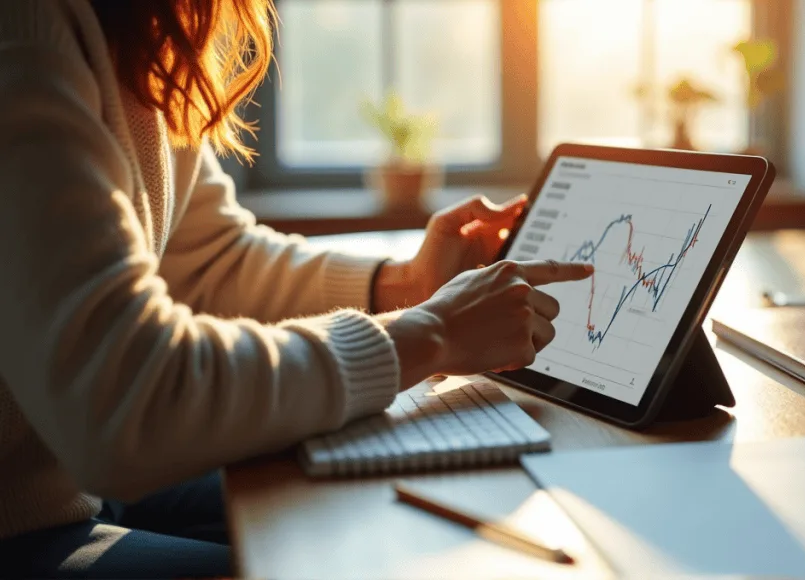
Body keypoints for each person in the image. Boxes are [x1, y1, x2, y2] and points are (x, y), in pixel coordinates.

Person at [0, 1, 592, 577]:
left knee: (357, 508)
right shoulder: (27, 32)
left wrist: (405, 285)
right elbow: (123, 400)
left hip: (73, 481)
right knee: (349, 552)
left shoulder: (144, 28)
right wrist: (431, 332)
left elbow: (206, 262)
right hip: (26, 525)